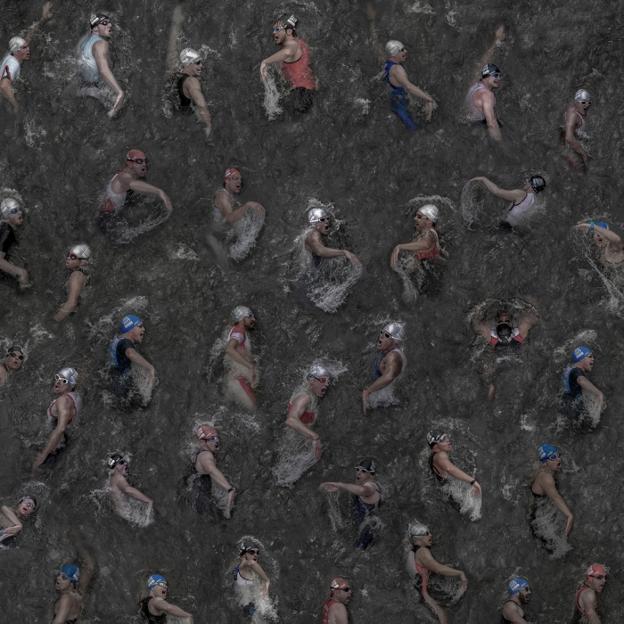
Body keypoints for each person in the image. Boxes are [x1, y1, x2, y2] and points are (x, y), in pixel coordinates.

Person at [273, 363, 332, 487]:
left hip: (298, 439)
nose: (326, 384)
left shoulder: (310, 392)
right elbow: (290, 420)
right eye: (322, 380)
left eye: (328, 381)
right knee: (286, 477)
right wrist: (314, 436)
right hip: (294, 441)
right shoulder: (305, 397)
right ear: (311, 381)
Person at [97, 149, 173, 239]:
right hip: (108, 222)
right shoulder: (123, 177)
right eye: (139, 161)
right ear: (129, 163)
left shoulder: (123, 172)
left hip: (110, 211)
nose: (144, 164)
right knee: (134, 236)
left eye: (145, 161)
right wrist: (159, 191)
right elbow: (131, 183)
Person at [406, 521, 468, 624]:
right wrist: (460, 573)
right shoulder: (423, 552)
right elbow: (437, 568)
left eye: (429, 532)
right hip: (424, 595)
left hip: (419, 589)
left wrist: (444, 567)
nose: (431, 535)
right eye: (427, 534)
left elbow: (428, 568)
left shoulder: (415, 550)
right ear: (418, 540)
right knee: (443, 617)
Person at [163, 6, 211, 136]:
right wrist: (208, 127)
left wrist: (176, 21)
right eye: (197, 63)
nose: (201, 65)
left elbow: (172, 48)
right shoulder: (192, 82)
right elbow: (201, 105)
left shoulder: (175, 72)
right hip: (185, 118)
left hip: (172, 109)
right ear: (187, 64)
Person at [472, 306, 538, 400]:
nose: (503, 324)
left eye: (506, 321)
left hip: (513, 364)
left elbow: (476, 323)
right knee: (491, 381)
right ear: (496, 323)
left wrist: (480, 309)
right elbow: (534, 315)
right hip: (504, 363)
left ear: (511, 322)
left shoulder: (517, 333)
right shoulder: (496, 336)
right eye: (501, 321)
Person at [0, 1, 53, 113]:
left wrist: (43, 18)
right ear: (17, 51)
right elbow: (4, 86)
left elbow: (29, 36)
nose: (28, 49)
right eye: (24, 48)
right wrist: (15, 105)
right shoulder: (13, 64)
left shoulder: (13, 53)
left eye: (26, 47)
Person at [259, 14, 317, 113]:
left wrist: (265, 62)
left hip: (300, 94)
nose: (273, 33)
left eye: (277, 30)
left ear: (289, 32)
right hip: (310, 86)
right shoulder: (300, 42)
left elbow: (287, 52)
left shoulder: (291, 47)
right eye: (274, 30)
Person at [320, 458, 382, 550]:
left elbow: (363, 490)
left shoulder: (371, 488)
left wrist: (340, 485)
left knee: (356, 553)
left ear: (371, 475)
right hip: (362, 522)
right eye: (357, 469)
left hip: (368, 529)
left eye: (363, 471)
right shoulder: (364, 482)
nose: (359, 473)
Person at [211, 168, 265, 263]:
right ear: (227, 181)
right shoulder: (222, 196)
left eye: (240, 179)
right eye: (235, 178)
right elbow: (229, 219)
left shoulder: (230, 196)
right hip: (220, 240)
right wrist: (248, 205)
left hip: (226, 235)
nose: (239, 181)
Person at [76, 12, 125, 118]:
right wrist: (119, 92)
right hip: (95, 95)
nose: (110, 25)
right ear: (95, 29)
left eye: (109, 22)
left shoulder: (83, 42)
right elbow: (103, 70)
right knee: (119, 113)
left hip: (81, 91)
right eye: (104, 23)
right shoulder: (101, 44)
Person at [33, 368, 81, 471]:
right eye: (57, 377)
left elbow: (61, 428)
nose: (58, 382)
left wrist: (43, 454)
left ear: (71, 385)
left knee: (33, 472)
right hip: (65, 443)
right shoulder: (76, 397)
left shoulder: (62, 401)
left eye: (64, 381)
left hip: (52, 447)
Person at [382, 40, 436, 130]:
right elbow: (409, 87)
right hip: (400, 103)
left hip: (393, 100)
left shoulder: (387, 65)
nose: (406, 51)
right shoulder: (397, 69)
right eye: (402, 50)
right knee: (416, 130)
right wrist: (427, 98)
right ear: (394, 53)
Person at [465, 25, 506, 141]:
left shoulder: (475, 82)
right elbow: (491, 123)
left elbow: (483, 62)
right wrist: (500, 143)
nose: (498, 78)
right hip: (477, 126)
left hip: (468, 118)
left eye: (499, 75)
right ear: (486, 77)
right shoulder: (487, 96)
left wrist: (496, 41)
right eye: (495, 75)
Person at [530, 444, 574, 547]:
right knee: (551, 546)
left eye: (558, 455)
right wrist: (570, 516)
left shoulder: (543, 467)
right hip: (538, 511)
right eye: (553, 457)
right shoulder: (547, 479)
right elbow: (556, 498)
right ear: (545, 463)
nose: (558, 459)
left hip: (539, 494)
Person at [469, 175, 547, 228]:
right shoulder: (534, 200)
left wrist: (483, 179)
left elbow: (497, 191)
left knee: (475, 226)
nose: (526, 182)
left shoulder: (521, 194)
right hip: (512, 227)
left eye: (528, 181)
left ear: (531, 185)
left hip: (502, 224)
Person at [192, 424, 235, 519]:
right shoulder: (205, 456)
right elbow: (211, 469)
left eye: (216, 437)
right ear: (203, 442)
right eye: (212, 439)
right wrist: (229, 489)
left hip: (200, 484)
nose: (217, 441)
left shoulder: (201, 449)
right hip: (201, 495)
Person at [109, 314, 155, 403]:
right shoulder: (124, 343)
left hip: (114, 380)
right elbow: (130, 353)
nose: (143, 329)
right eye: (140, 326)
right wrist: (150, 368)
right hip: (121, 386)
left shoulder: (117, 340)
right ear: (131, 329)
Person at [362, 322, 406, 413]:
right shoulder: (388, 350)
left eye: (386, 335)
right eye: (381, 333)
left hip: (384, 401)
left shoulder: (393, 356)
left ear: (395, 342)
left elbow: (389, 377)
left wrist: (368, 391)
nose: (381, 337)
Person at [223, 305, 258, 411]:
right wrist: (250, 366)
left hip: (234, 377)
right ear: (243, 319)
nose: (253, 319)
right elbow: (229, 349)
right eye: (250, 316)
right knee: (254, 409)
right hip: (238, 379)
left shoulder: (233, 330)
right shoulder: (240, 332)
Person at [53, 542, 95, 624]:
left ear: (71, 583)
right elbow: (89, 566)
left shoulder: (66, 599)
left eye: (64, 578)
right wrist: (77, 541)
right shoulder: (80, 591)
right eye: (59, 574)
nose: (58, 578)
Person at [390, 204, 442, 272]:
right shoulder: (422, 233)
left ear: (429, 221)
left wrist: (399, 247)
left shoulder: (430, 233)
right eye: (416, 216)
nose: (415, 218)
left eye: (419, 217)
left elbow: (425, 244)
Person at [561, 346, 604, 422]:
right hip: (572, 410)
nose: (593, 359)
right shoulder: (576, 371)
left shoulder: (570, 371)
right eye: (590, 356)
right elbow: (581, 380)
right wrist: (598, 393)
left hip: (567, 408)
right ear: (581, 359)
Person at [107, 454, 153, 521]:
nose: (125, 464)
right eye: (121, 462)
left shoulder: (111, 479)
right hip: (128, 515)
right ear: (115, 467)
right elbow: (127, 489)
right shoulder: (118, 478)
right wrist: (148, 501)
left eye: (124, 461)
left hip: (119, 513)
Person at [54, 244, 91, 322]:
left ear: (82, 262)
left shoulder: (76, 276)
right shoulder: (83, 274)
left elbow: (72, 303)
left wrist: (55, 320)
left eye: (73, 257)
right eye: (68, 255)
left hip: (73, 316)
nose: (68, 258)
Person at [233, 544, 271, 618]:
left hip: (243, 601)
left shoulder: (237, 566)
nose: (255, 555)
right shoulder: (251, 563)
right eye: (252, 552)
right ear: (244, 554)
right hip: (251, 604)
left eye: (257, 552)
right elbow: (267, 580)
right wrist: (265, 588)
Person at [0, 197, 30, 289]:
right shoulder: (6, 229)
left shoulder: (3, 227)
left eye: (19, 209)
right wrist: (19, 272)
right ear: (6, 215)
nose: (19, 212)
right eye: (14, 210)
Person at [562, 89, 592, 171]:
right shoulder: (574, 115)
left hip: (570, 142)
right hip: (570, 148)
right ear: (576, 102)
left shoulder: (574, 109)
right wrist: (583, 153)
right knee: (582, 171)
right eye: (583, 102)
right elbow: (568, 137)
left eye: (589, 102)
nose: (587, 105)